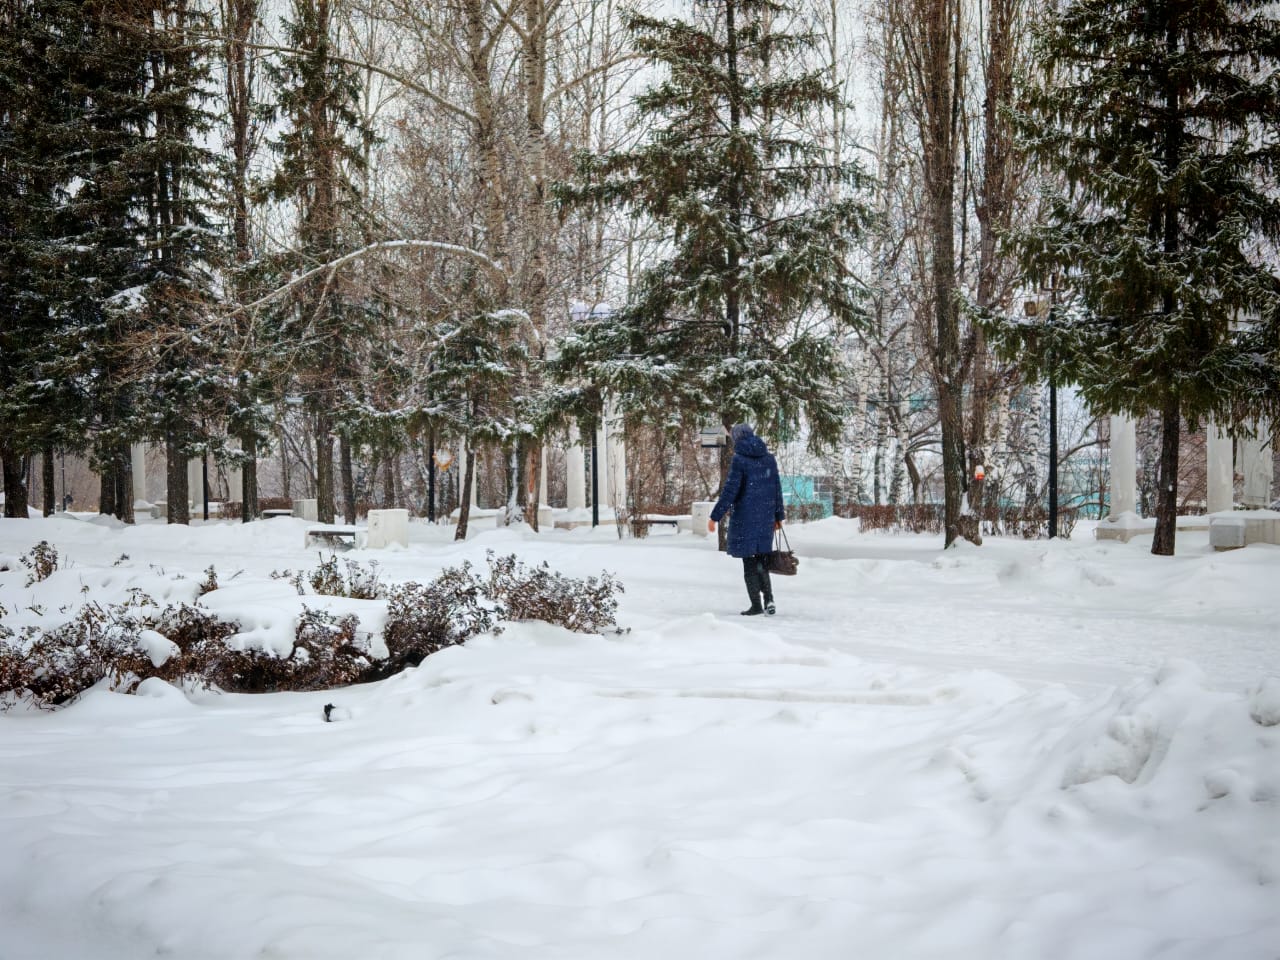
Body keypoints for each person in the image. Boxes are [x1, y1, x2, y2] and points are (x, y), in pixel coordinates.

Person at [707, 423, 785, 616]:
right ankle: (769, 600)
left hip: (745, 519)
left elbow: (730, 492)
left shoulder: (739, 460)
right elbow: (777, 489)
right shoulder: (769, 459)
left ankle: (756, 605)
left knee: (749, 564)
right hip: (765, 518)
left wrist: (715, 516)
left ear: (737, 438)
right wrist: (778, 516)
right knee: (762, 562)